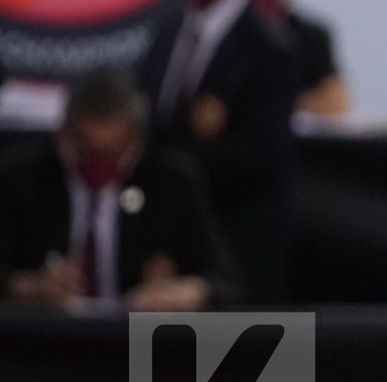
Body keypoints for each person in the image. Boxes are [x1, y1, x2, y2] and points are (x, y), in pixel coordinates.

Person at [137, 0, 299, 302]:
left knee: (246, 367)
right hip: (170, 251)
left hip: (238, 249)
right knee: (159, 366)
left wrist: (169, 170)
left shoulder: (268, 46)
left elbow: (260, 155)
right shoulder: (167, 31)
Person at [0, 69, 229, 311]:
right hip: (43, 337)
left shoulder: (172, 181)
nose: (99, 167)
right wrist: (26, 286)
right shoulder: (20, 179)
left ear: (138, 144)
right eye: (87, 153)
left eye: (112, 155)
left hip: (137, 338)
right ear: (61, 136)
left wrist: (186, 290)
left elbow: (224, 277)